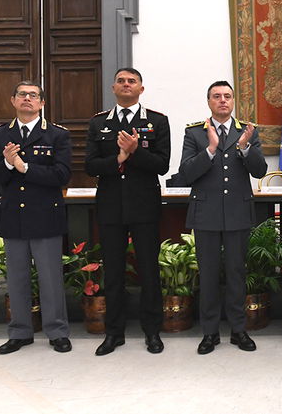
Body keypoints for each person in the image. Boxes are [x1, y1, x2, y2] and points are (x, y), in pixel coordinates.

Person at [85, 67, 170, 355]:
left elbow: (162, 165)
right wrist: (119, 157)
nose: (125, 84)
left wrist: (135, 152)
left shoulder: (157, 121)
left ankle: (152, 331)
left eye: (131, 81)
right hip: (110, 206)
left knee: (148, 271)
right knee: (114, 274)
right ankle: (114, 333)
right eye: (120, 81)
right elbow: (90, 166)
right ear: (113, 88)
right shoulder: (99, 123)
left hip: (144, 206)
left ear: (141, 89)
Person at [179, 81, 267, 354]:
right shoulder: (195, 133)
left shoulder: (247, 132)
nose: (222, 101)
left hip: (237, 212)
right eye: (216, 96)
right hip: (206, 213)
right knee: (207, 275)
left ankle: (239, 331)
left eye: (227, 96)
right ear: (209, 102)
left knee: (236, 273)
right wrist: (210, 149)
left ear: (233, 101)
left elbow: (260, 170)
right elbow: (186, 174)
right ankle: (210, 332)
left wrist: (244, 148)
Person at [0, 81, 72, 354]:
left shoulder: (56, 135)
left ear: (42, 103)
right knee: (16, 278)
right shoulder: (0, 134)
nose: (27, 99)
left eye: (33, 95)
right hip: (13, 215)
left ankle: (57, 331)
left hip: (45, 215)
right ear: (13, 100)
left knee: (51, 277)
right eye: (22, 95)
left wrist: (24, 167)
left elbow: (62, 176)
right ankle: (20, 332)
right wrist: (5, 162)